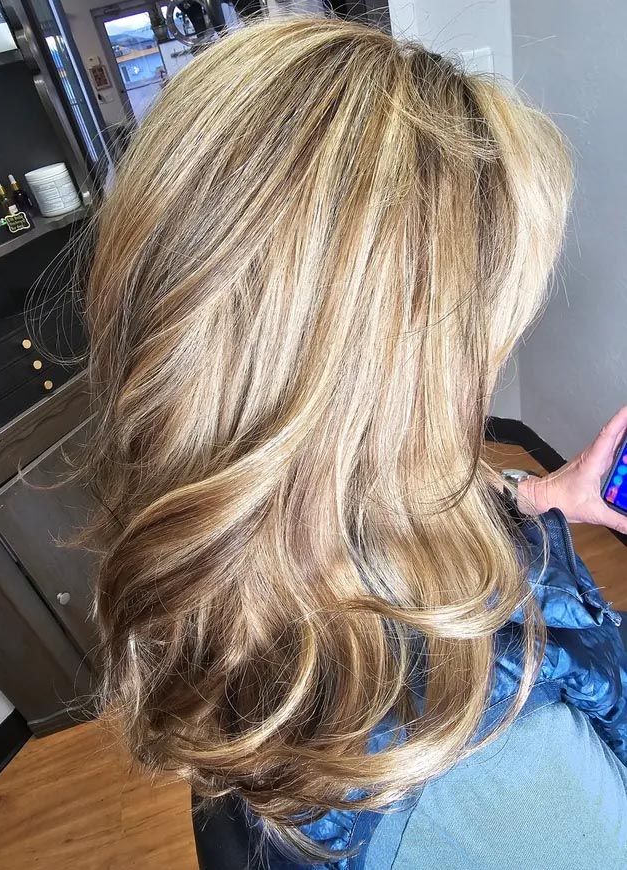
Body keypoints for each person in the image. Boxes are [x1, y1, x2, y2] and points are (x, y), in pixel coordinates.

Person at [82, 17, 627, 868]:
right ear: (390, 379)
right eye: (485, 336)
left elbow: (347, 511)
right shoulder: (513, 782)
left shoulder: (230, 581)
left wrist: (536, 496)